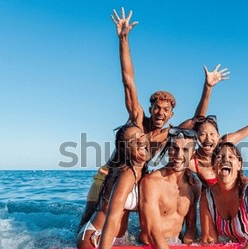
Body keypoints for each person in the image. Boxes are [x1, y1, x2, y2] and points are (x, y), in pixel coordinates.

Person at [79, 7, 229, 229]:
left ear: (171, 115)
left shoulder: (170, 133)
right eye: (157, 108)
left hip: (136, 180)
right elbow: (128, 81)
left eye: (165, 110)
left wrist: (208, 88)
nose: (160, 113)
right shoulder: (137, 120)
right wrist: (123, 39)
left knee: (119, 231)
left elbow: (198, 120)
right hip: (108, 177)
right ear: (150, 109)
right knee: (87, 223)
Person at [190, 88, 248, 187]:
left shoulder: (224, 143)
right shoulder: (192, 159)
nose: (208, 139)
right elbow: (195, 120)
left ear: (218, 136)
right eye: (203, 134)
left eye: (212, 134)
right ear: (196, 136)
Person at [77, 122, 150, 249]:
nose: (140, 140)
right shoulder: (126, 174)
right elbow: (111, 219)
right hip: (96, 238)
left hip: (119, 238)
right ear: (124, 148)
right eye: (133, 139)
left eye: (142, 135)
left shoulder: (142, 172)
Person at [138, 127, 201, 249]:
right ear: (168, 150)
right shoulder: (151, 182)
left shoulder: (194, 186)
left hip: (176, 245)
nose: (179, 155)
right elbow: (153, 233)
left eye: (185, 150)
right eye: (174, 149)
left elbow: (191, 227)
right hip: (149, 248)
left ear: (193, 155)